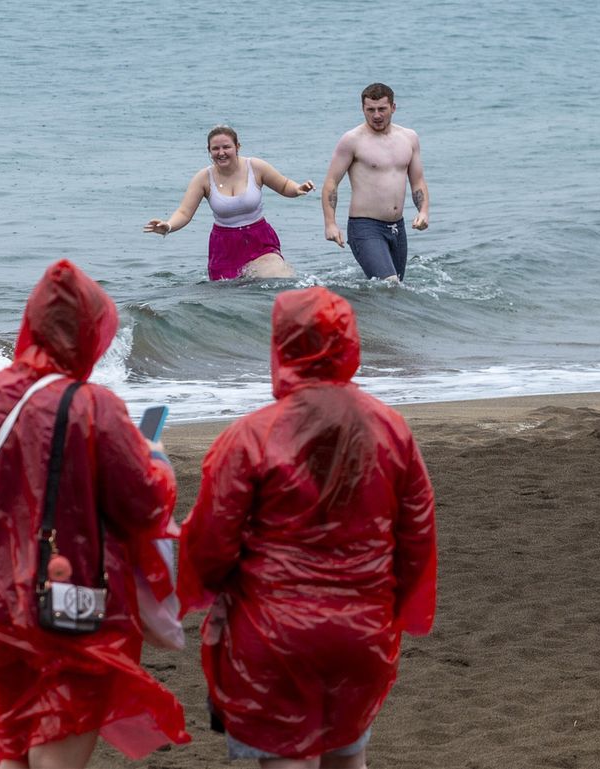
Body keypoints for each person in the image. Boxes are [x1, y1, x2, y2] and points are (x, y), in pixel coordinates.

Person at [177, 286, 437, 769]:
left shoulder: (249, 437)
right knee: (348, 754)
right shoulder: (391, 429)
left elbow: (211, 545)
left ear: (282, 346)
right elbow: (417, 534)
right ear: (350, 344)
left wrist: (197, 586)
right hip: (362, 630)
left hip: (273, 633)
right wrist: (391, 605)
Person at [0, 259, 190, 769]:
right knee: (59, 731)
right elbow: (144, 504)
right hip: (68, 596)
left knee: (12, 740)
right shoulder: (95, 407)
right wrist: (158, 459)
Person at [145, 125, 315, 281]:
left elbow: (284, 185)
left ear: (237, 147)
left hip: (259, 239)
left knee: (279, 278)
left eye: (226, 147)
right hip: (224, 246)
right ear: (209, 151)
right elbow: (184, 212)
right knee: (229, 297)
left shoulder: (255, 167)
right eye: (215, 148)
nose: (221, 152)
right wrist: (168, 226)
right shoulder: (203, 178)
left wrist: (297, 189)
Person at [320, 83, 429, 283]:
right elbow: (331, 182)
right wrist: (330, 224)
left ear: (393, 108)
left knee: (394, 290)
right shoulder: (352, 140)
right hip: (365, 226)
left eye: (382, 109)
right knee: (389, 283)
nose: (376, 115)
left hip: (398, 227)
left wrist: (423, 212)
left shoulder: (409, 138)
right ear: (363, 109)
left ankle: (363, 310)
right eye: (370, 110)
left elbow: (418, 181)